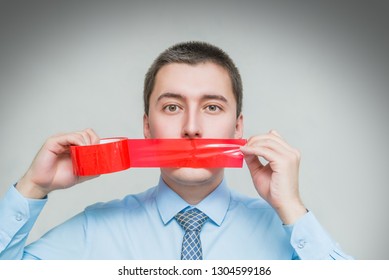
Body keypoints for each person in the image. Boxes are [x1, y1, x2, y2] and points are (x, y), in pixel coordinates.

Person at [0, 41, 352, 260]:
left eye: (212, 107)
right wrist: (32, 187)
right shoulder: (94, 229)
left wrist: (292, 208)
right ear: (147, 127)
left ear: (238, 128)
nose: (191, 127)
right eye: (172, 107)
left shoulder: (287, 234)